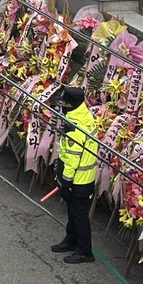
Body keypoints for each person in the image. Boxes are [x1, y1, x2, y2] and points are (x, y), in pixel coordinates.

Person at [52, 74, 99, 264]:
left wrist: (66, 181)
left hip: (78, 178)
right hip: (77, 176)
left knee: (79, 215)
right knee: (72, 212)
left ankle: (84, 251)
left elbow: (73, 158)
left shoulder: (76, 126)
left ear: (71, 105)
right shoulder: (80, 116)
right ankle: (70, 240)